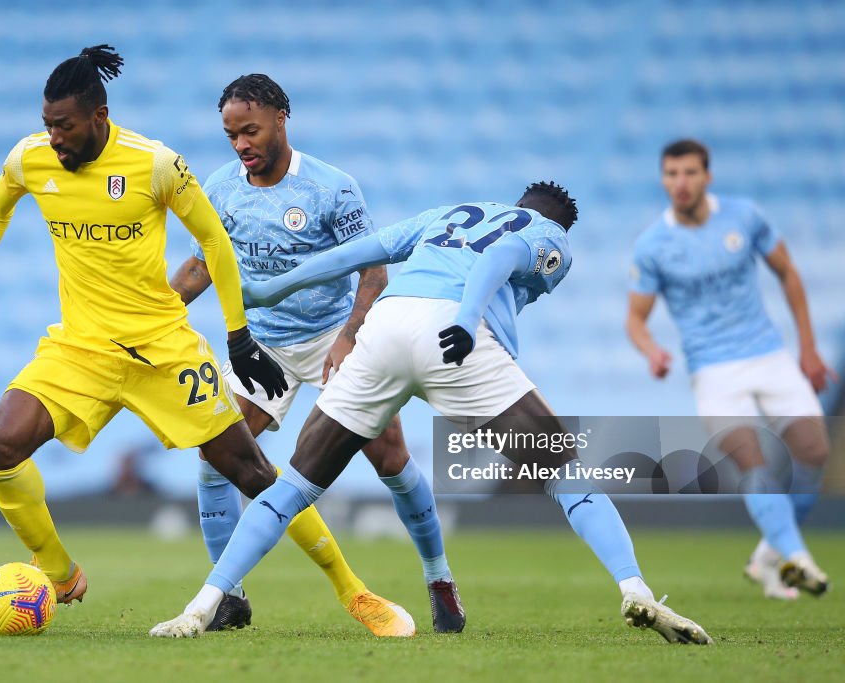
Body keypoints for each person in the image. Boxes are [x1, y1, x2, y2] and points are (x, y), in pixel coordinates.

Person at [0, 47, 411, 636]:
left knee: (253, 474)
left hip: (163, 352)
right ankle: (57, 568)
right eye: (48, 124)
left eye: (65, 126)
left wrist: (238, 334)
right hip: (81, 351)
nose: (53, 138)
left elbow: (214, 244)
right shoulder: (30, 159)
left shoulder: (155, 165)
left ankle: (354, 593)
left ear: (99, 115)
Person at [150, 182, 712, 644]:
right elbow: (501, 256)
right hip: (453, 334)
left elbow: (358, 254)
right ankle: (635, 589)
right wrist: (468, 318)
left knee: (292, 487)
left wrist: (274, 288)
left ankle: (201, 607)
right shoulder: (551, 239)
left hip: (386, 328)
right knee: (567, 475)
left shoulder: (450, 214)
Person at [169, 74, 463, 634]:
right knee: (213, 453)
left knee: (391, 458)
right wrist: (153, 309)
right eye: (231, 135)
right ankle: (227, 595)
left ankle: (438, 576)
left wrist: (351, 334)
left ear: (281, 118)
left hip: (335, 336)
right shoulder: (222, 188)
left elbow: (373, 271)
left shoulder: (332, 188)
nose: (241, 145)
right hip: (265, 348)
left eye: (250, 131)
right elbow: (202, 266)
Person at [626, 139, 835, 600]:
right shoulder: (653, 245)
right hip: (713, 370)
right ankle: (797, 559)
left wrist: (809, 348)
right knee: (750, 459)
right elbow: (635, 319)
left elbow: (789, 274)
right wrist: (653, 351)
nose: (680, 183)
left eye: (689, 173)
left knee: (814, 451)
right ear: (663, 179)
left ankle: (768, 557)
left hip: (768, 355)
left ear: (707, 176)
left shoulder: (744, 217)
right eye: (671, 174)